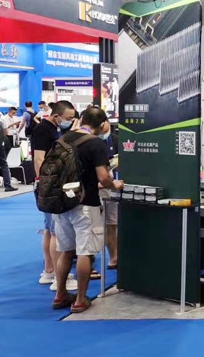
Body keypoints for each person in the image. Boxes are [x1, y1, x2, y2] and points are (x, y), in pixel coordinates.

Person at [52, 107, 122, 313]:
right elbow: (103, 177)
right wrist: (114, 185)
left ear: (81, 119)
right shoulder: (96, 143)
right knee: (85, 252)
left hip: (61, 202)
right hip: (85, 204)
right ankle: (81, 299)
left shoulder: (63, 139)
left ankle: (60, 295)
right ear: (102, 125)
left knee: (66, 252)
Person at [31, 100, 76, 289]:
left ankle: (50, 271)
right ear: (57, 115)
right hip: (49, 186)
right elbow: (39, 159)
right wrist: (47, 183)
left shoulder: (54, 129)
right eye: (68, 118)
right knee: (56, 230)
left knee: (50, 229)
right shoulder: (43, 130)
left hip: (50, 184)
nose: (70, 121)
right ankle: (59, 277)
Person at [0, 120, 16, 192]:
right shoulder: (1, 122)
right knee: (4, 165)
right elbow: (6, 132)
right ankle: (7, 185)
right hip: (0, 145)